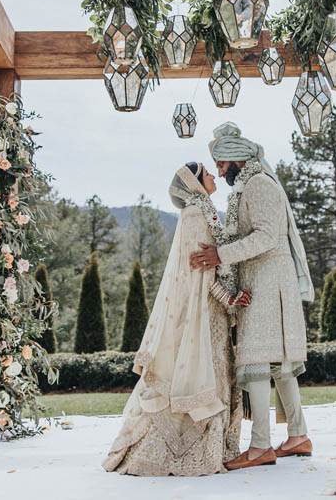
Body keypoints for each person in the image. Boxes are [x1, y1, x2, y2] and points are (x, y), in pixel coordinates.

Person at [103, 162, 250, 476]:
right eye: (207, 175)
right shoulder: (198, 215)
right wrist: (230, 299)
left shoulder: (201, 211)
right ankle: (181, 451)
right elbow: (202, 272)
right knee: (199, 373)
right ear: (195, 185)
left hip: (208, 310)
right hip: (204, 312)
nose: (213, 176)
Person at [190, 123, 315, 470]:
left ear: (234, 159)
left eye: (220, 163)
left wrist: (220, 255)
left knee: (258, 361)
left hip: (267, 279)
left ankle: (261, 446)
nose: (218, 170)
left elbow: (265, 237)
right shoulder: (251, 185)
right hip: (266, 278)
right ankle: (298, 436)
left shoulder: (259, 184)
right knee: (279, 363)